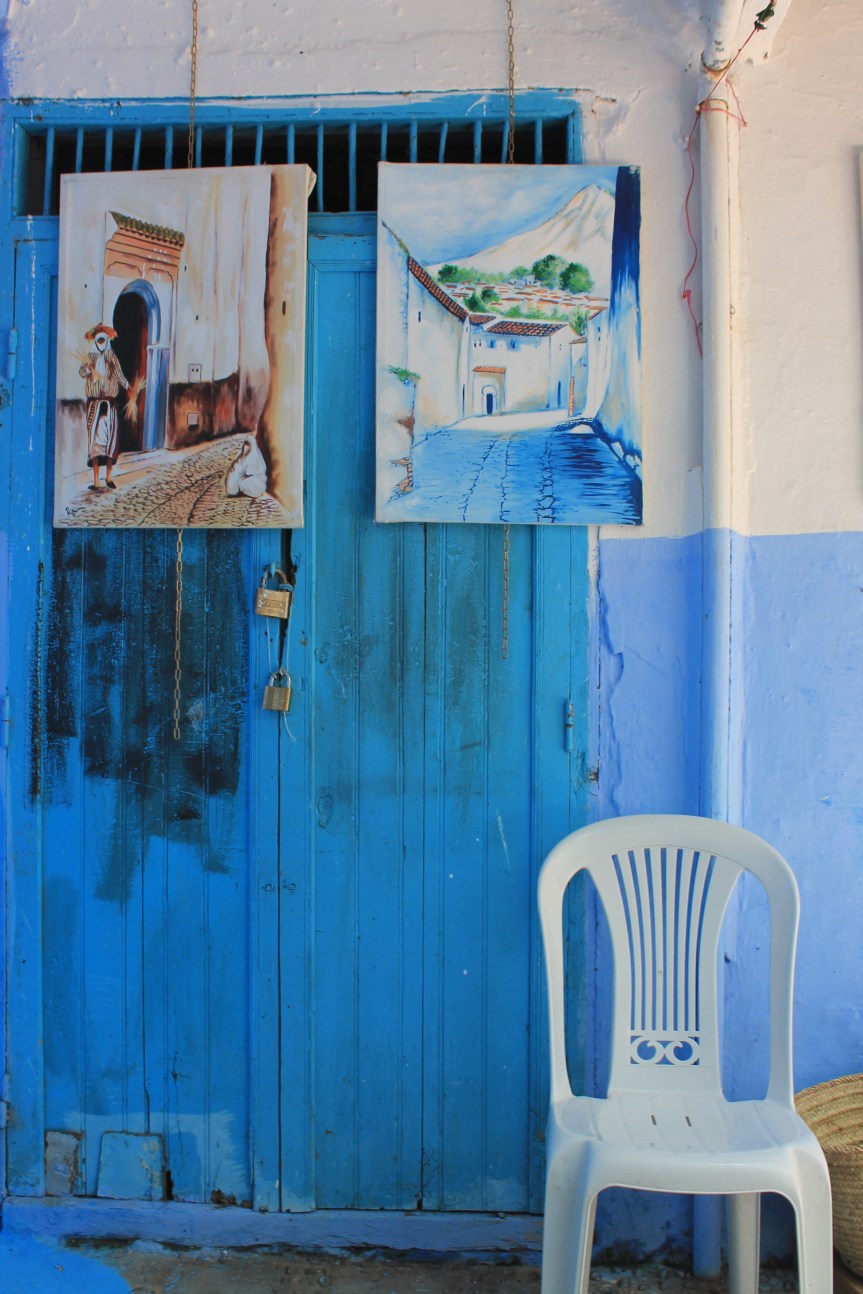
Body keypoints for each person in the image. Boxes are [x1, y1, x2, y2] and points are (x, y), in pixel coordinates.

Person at [79, 323, 131, 490]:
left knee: (110, 441)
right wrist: (87, 369)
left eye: (103, 339)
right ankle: (96, 480)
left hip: (109, 405)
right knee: (94, 442)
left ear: (107, 340)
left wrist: (130, 388)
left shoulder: (111, 357)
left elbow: (119, 375)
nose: (101, 341)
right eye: (98, 339)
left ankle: (108, 477)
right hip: (94, 405)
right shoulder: (90, 358)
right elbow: (81, 373)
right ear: (95, 340)